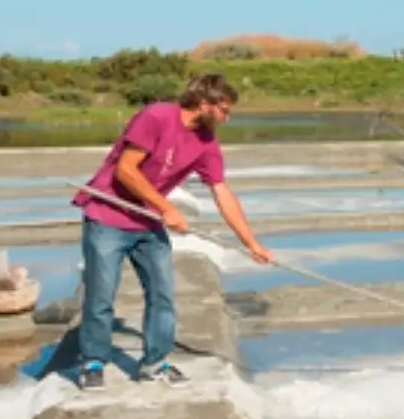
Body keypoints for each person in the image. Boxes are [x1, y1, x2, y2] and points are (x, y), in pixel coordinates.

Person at [72, 74, 273, 388]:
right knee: (100, 296)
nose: (226, 117)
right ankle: (93, 361)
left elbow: (221, 191)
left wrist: (251, 243)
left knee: (162, 295)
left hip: (147, 223)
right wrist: (165, 208)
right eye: (223, 109)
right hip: (108, 216)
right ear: (203, 103)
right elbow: (126, 170)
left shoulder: (206, 142)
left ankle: (154, 363)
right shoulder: (157, 116)